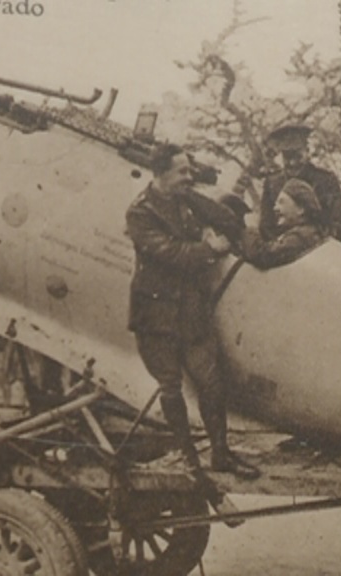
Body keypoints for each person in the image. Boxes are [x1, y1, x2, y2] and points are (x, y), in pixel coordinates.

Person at [125, 143, 260, 480]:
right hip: (155, 315)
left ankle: (220, 454)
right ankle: (188, 458)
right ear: (161, 173)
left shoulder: (186, 200)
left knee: (212, 384)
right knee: (170, 388)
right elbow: (170, 253)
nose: (189, 176)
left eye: (190, 170)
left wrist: (216, 218)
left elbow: (226, 219)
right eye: (182, 171)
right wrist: (209, 248)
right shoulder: (139, 212)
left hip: (189, 311)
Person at [259, 125, 341, 245]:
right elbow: (265, 229)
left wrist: (308, 236)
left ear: (307, 152)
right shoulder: (272, 184)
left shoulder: (326, 181)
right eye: (287, 157)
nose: (292, 162)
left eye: (297, 156)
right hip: (283, 254)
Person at [242, 178, 324, 269]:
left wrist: (251, 228)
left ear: (300, 209)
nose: (275, 208)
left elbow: (263, 256)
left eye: (281, 202)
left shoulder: (301, 237)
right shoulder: (310, 232)